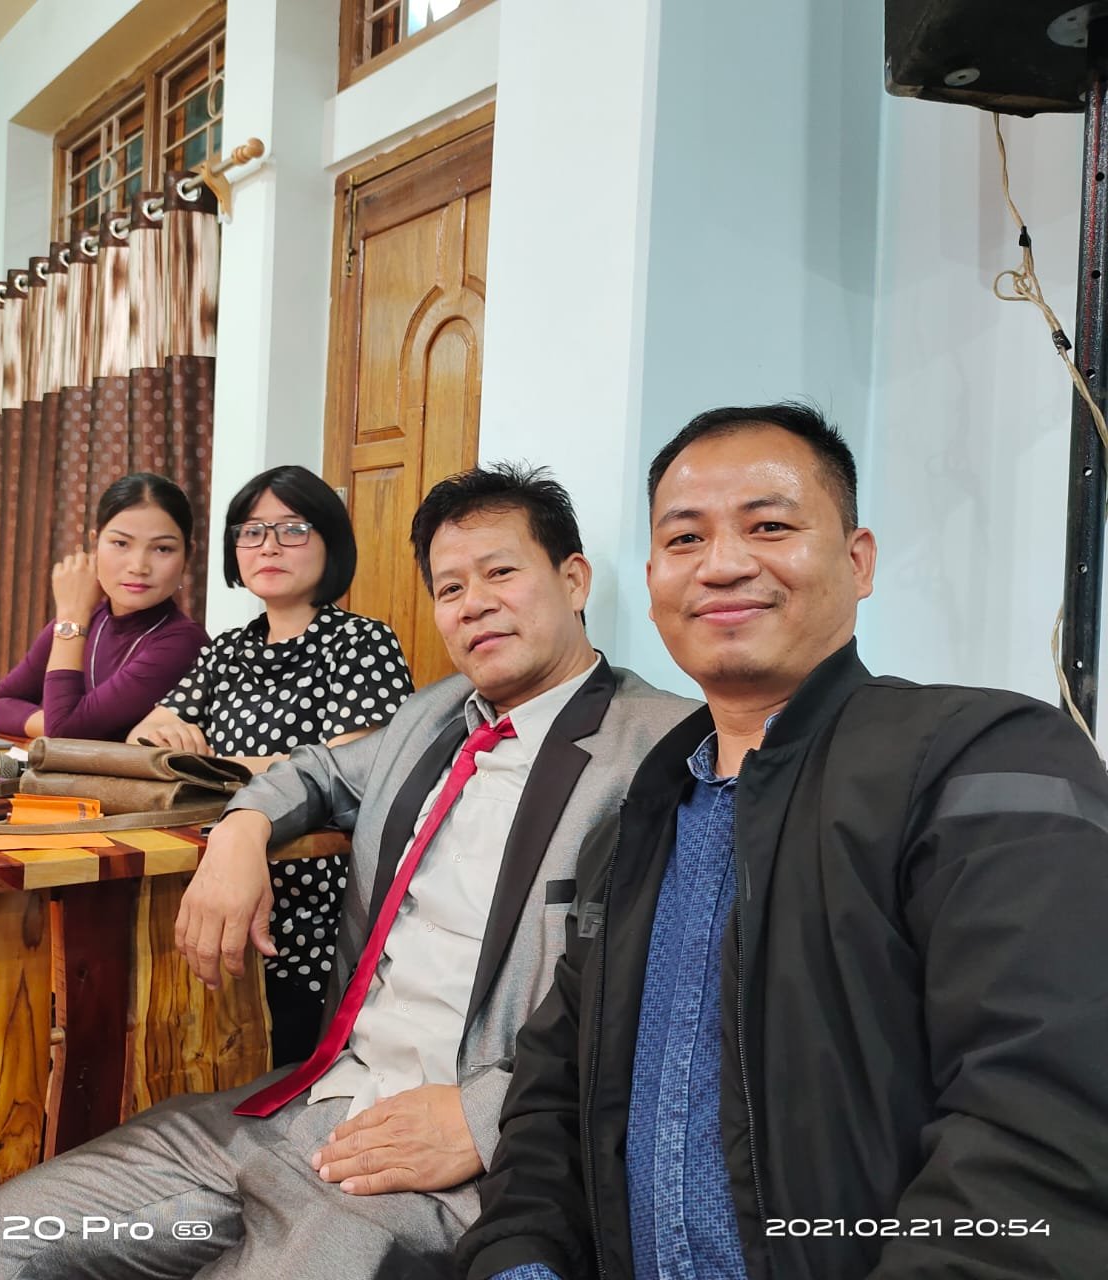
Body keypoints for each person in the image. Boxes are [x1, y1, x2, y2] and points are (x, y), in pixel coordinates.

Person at [0, 463, 698, 1280]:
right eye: (450, 588)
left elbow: (681, 1000)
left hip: (441, 1154)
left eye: (500, 573)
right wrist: (241, 831)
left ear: (574, 579)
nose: (473, 603)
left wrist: (487, 1116)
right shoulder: (433, 716)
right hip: (305, 1103)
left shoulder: (662, 747)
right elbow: (315, 771)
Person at [457, 403, 1108, 1280]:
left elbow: (1047, 1128)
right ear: (652, 580)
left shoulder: (984, 759)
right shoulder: (634, 828)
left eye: (769, 526)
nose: (723, 564)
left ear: (858, 560)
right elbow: (550, 1104)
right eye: (685, 539)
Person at [127, 465, 414, 1063]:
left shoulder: (362, 643)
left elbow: (346, 774)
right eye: (252, 532)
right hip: (207, 880)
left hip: (315, 904)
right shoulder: (227, 650)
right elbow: (142, 741)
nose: (269, 547)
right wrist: (162, 735)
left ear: (331, 542)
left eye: (293, 529)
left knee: (278, 1071)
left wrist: (209, 763)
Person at [0, 472, 208, 743]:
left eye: (162, 549)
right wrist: (52, 723)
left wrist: (71, 617)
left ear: (188, 556)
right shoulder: (88, 618)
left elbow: (65, 732)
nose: (138, 566)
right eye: (121, 543)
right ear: (95, 545)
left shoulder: (183, 642)